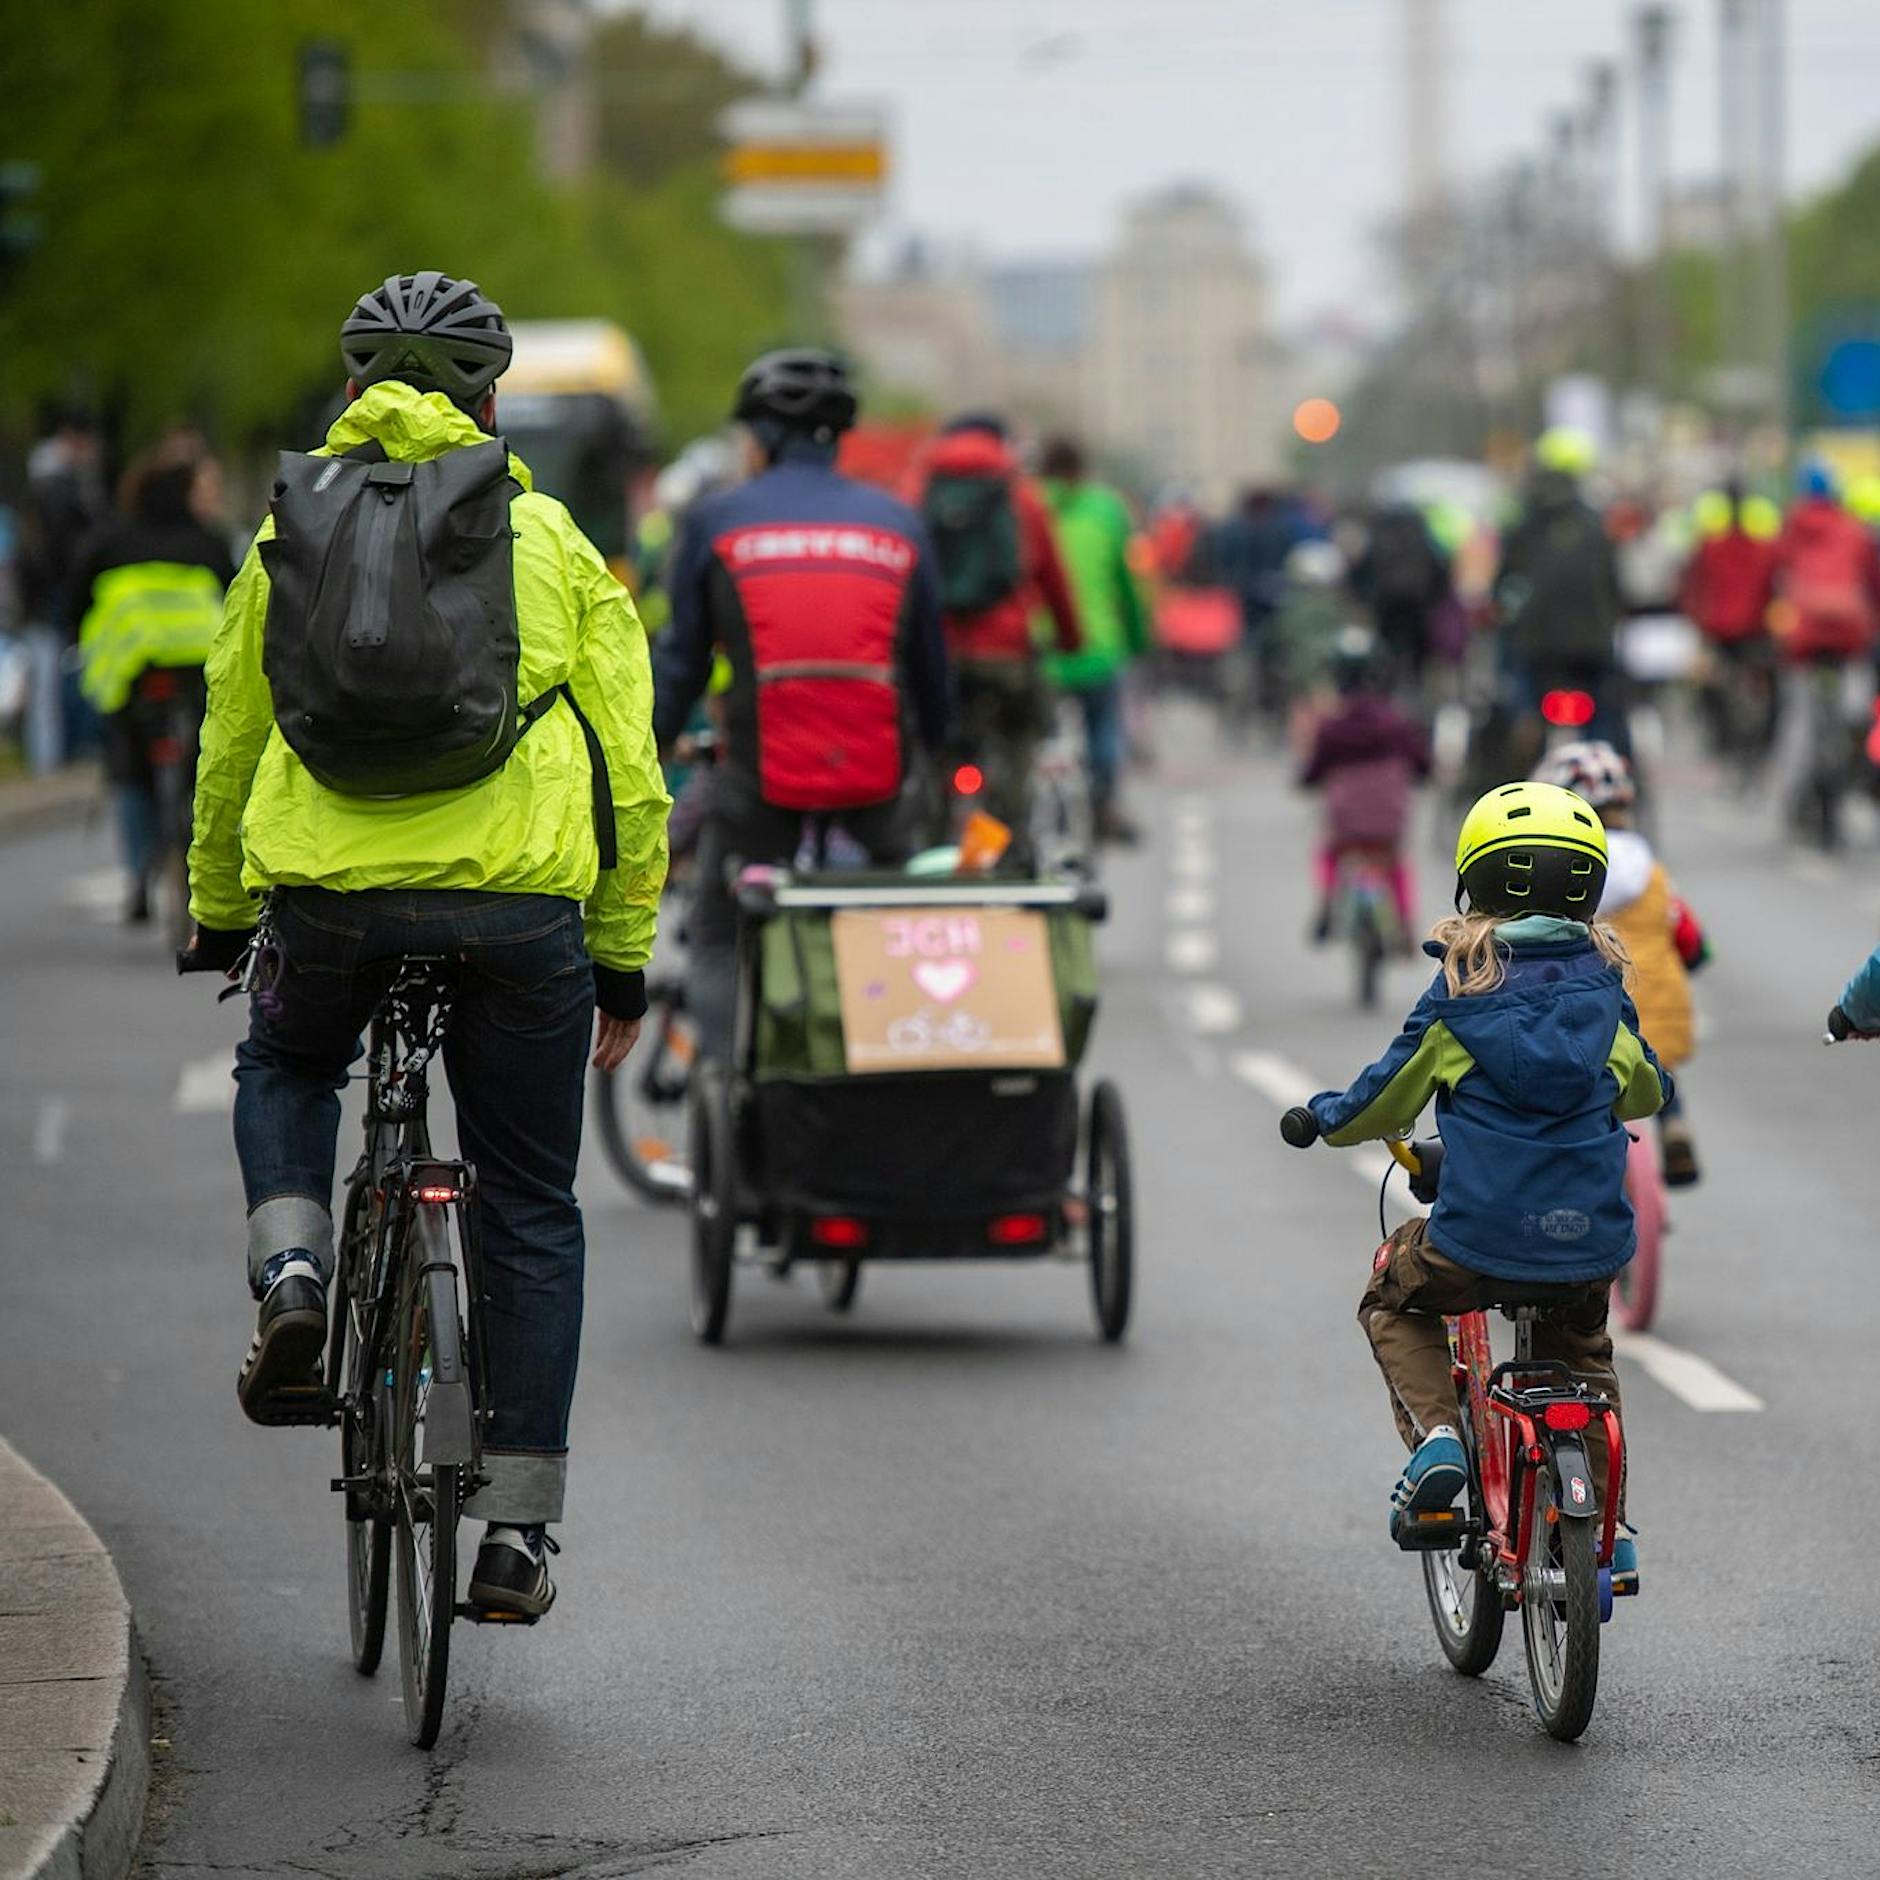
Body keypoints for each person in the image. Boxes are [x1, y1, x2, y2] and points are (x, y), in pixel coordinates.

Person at [182, 271, 669, 1618]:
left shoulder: (284, 531)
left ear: (351, 394)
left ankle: (291, 1274)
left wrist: (222, 905)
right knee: (530, 1204)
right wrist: (621, 951)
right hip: (520, 914)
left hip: (328, 899)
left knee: (284, 1067)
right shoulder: (553, 540)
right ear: (491, 400)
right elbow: (630, 767)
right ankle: (516, 1530)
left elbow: (231, 732)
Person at [1303, 781, 1669, 1590]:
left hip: (1477, 1240)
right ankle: (1611, 1520)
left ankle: (1438, 1438)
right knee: (1583, 1350)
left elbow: (1381, 1099)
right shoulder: (1606, 996)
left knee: (1391, 1296)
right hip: (1589, 1243)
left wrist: (1322, 1118)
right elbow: (1646, 1094)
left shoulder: (1460, 998)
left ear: (1477, 882)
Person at [654, 349, 949, 1061]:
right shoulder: (898, 522)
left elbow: (683, 660)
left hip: (761, 782)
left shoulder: (717, 518)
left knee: (719, 932)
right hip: (876, 780)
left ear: (760, 440)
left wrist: (649, 747)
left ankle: (730, 1090)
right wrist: (940, 759)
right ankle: (894, 1066)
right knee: (892, 918)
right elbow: (931, 673)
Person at [68, 430, 233, 922]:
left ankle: (139, 869)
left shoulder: (111, 540)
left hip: (133, 671)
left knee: (127, 767)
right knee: (200, 764)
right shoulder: (208, 542)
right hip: (195, 667)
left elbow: (79, 597)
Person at [1534, 741, 1707, 1185]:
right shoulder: (1650, 869)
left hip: (1596, 1014)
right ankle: (1674, 1126)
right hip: (1661, 1005)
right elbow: (1687, 934)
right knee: (1658, 1072)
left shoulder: (1565, 870)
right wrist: (1694, 956)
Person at [907, 413, 1080, 845]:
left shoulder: (915, 491)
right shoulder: (1023, 497)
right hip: (1006, 653)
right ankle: (1012, 836)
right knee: (1019, 736)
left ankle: (930, 841)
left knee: (932, 743)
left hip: (937, 652)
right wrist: (1070, 639)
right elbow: (1054, 581)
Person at [1036, 436, 1149, 844]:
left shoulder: (1026, 503)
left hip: (1039, 652)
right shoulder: (1107, 509)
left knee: (1036, 737)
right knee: (1104, 731)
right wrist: (1136, 640)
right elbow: (1126, 586)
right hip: (1098, 648)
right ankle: (1105, 804)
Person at [1494, 428, 1627, 758]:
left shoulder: (1524, 524)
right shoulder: (1596, 525)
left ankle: (1523, 729)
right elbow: (1615, 585)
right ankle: (1606, 761)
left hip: (1538, 647)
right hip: (1591, 644)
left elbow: (1505, 586)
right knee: (1604, 709)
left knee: (1514, 678)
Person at [1299, 626, 1430, 946]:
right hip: (1388, 816)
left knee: (1331, 852)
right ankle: (1405, 923)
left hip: (1346, 819)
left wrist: (1306, 781)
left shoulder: (1331, 727)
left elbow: (1313, 771)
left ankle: (1328, 900)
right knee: (1394, 861)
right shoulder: (1396, 723)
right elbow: (1422, 765)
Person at [17, 405, 110, 771]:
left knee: (49, 679)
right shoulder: (62, 485)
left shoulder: (50, 482)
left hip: (45, 593)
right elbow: (63, 546)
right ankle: (51, 758)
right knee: (55, 678)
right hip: (53, 593)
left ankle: (50, 756)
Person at [1680, 480, 1780, 763]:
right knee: (1769, 686)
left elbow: (1693, 587)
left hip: (1719, 630)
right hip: (1753, 631)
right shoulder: (1763, 549)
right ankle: (1763, 742)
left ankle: (1720, 737)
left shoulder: (1710, 547)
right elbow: (1773, 588)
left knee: (1709, 685)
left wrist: (1698, 622)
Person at [1350, 500, 1452, 689]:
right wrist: (1435, 601)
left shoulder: (1380, 538)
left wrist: (1366, 599)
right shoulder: (1424, 539)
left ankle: (1387, 691)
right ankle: (1414, 694)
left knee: (1387, 654)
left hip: (1386, 606)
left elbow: (1360, 572)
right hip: (1418, 607)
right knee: (1418, 661)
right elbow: (1442, 572)